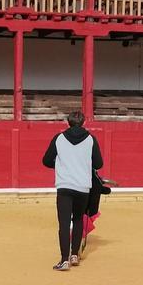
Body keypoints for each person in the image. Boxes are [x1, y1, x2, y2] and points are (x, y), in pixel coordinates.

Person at [42, 111, 103, 271]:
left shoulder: (59, 138)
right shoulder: (90, 139)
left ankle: (64, 259)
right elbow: (98, 163)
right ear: (83, 123)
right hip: (83, 187)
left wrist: (60, 163)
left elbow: (46, 160)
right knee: (77, 220)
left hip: (65, 185)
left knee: (63, 223)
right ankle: (74, 255)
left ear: (68, 122)